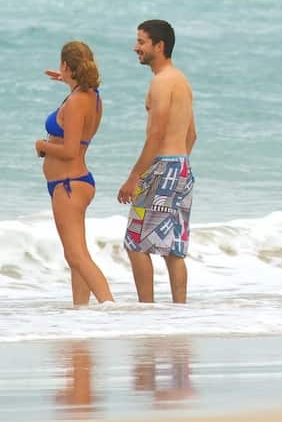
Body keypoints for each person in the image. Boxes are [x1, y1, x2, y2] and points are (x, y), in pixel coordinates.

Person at [117, 20, 198, 304]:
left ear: (159, 46)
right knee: (174, 249)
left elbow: (156, 135)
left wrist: (134, 178)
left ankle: (146, 311)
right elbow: (192, 134)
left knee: (135, 243)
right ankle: (179, 312)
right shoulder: (182, 81)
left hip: (163, 166)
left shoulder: (161, 82)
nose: (136, 47)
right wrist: (178, 165)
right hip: (181, 165)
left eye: (141, 42)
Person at [35, 40, 115, 306]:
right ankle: (81, 313)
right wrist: (68, 81)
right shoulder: (90, 95)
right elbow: (84, 93)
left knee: (77, 256)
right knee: (77, 257)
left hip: (68, 183)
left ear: (66, 65)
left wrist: (43, 146)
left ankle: (111, 307)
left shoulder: (77, 102)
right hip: (75, 182)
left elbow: (69, 150)